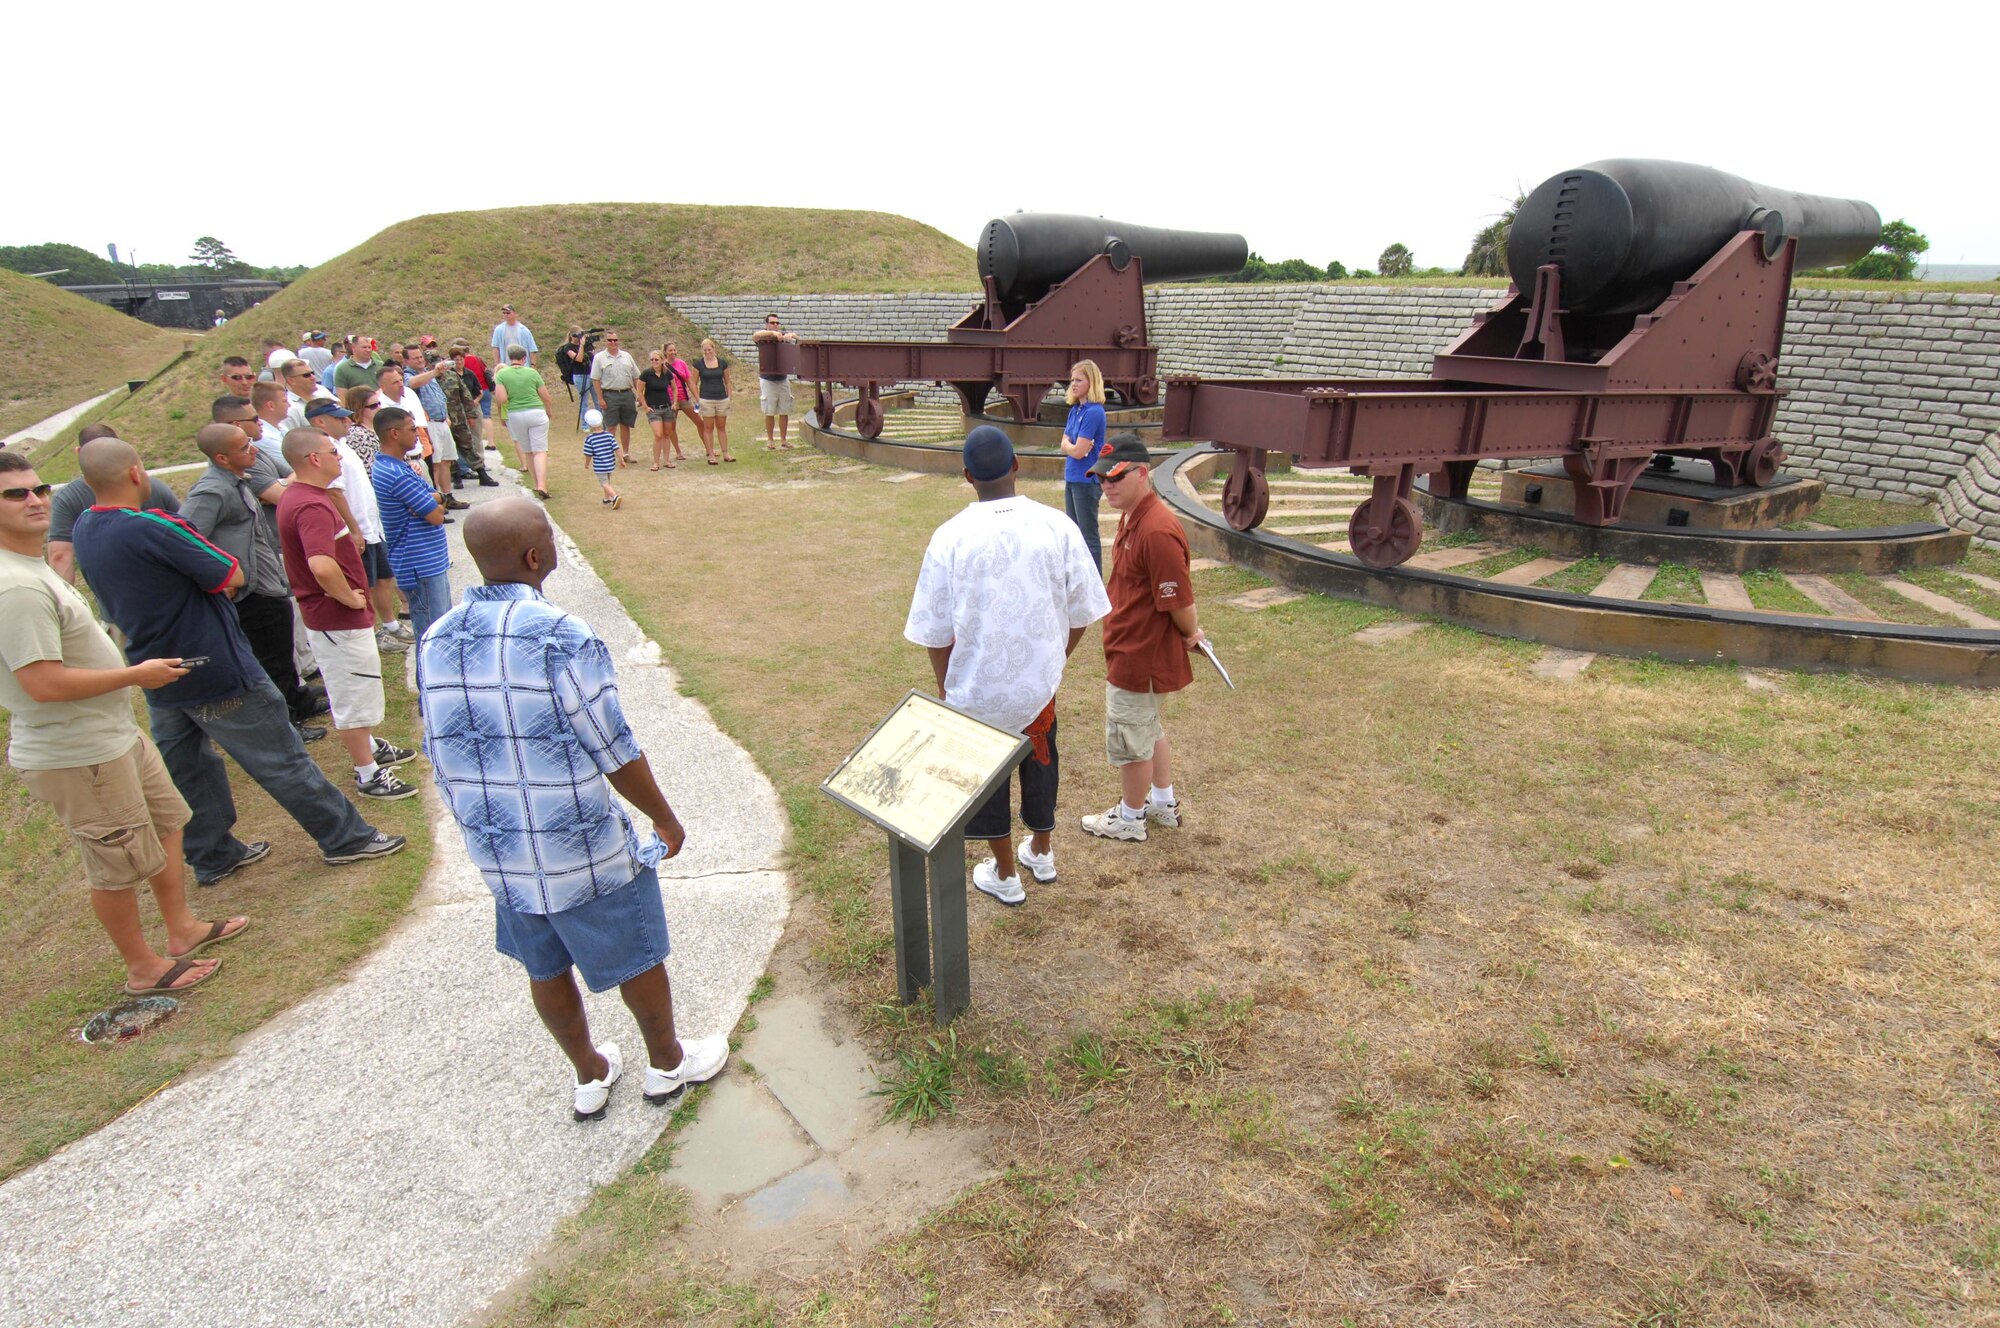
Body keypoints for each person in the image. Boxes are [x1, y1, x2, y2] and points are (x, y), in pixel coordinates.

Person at [418, 499, 727, 1119]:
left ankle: (590, 1072)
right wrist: (665, 818)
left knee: (544, 961)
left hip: (500, 847)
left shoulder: (435, 637)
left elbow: (439, 742)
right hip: (576, 843)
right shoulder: (561, 635)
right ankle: (667, 1064)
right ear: (537, 557)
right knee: (635, 950)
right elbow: (613, 746)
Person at [69, 437, 407, 885]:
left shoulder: (84, 528)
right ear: (135, 473)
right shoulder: (153, 526)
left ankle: (213, 854)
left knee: (189, 766)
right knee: (281, 756)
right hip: (214, 662)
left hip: (155, 667)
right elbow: (231, 572)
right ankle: (345, 837)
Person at [0, 450, 249, 995]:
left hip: (109, 733)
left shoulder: (32, 568)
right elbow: (41, 683)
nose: (35, 501)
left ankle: (181, 929)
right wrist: (135, 675)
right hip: (77, 749)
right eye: (15, 494)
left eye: (39, 489)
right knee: (115, 862)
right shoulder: (14, 586)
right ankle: (143, 968)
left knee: (167, 822)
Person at [904, 427, 1109, 904]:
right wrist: (1054, 659)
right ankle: (1042, 850)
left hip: (975, 690)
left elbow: (935, 633)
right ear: (1017, 465)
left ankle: (1005, 872)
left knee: (989, 778)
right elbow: (1083, 610)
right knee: (1042, 763)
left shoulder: (949, 537)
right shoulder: (1057, 526)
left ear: (967, 476)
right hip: (1038, 687)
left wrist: (946, 689)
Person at [276, 429, 418, 801]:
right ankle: (367, 772)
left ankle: (370, 746)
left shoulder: (304, 496)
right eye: (332, 452)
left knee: (358, 686)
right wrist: (350, 599)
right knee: (354, 694)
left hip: (332, 618)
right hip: (336, 619)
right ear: (313, 459)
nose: (339, 458)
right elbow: (321, 566)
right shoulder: (310, 505)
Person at [1079, 436, 1204, 844]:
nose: (1107, 486)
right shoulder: (1134, 516)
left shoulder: (1155, 530)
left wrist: (1192, 633)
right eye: (1101, 479)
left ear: (1142, 473)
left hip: (1140, 655)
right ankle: (1162, 803)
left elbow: (1179, 600)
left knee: (1131, 737)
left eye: (1115, 478)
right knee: (1148, 729)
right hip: (1130, 647)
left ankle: (1131, 818)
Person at [179, 422, 330, 736]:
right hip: (250, 592)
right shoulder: (213, 489)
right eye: (244, 447)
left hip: (266, 583)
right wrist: (222, 576)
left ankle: (297, 700)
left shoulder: (236, 481)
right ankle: (284, 722)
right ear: (221, 458)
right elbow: (186, 536)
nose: (254, 449)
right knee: (269, 658)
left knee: (280, 645)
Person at [45, 424, 181, 585]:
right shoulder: (154, 486)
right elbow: (192, 530)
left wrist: (65, 605)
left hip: (116, 599)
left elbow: (60, 556)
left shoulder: (67, 497)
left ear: (79, 452)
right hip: (171, 588)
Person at [369, 407, 456, 642]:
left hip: (430, 561)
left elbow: (437, 497)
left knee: (442, 628)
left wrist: (432, 499)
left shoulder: (401, 466)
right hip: (420, 566)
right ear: (394, 433)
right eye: (411, 428)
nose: (417, 432)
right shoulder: (394, 473)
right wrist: (432, 502)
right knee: (433, 635)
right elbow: (437, 516)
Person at [1060, 360, 1111, 572]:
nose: (1074, 384)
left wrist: (1071, 446)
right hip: (1072, 477)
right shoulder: (1075, 410)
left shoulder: (1094, 412)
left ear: (1092, 382)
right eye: (1072, 380)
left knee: (1088, 535)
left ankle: (1096, 582)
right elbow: (1064, 444)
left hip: (1086, 480)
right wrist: (1071, 446)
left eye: (1079, 380)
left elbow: (1079, 451)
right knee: (1073, 534)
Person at [494, 345, 555, 499]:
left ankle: (536, 483)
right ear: (524, 358)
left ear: (509, 358)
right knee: (540, 450)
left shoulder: (502, 374)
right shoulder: (532, 373)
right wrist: (548, 410)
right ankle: (542, 484)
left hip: (515, 413)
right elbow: (546, 396)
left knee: (527, 450)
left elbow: (501, 399)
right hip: (536, 411)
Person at [440, 343, 500, 488]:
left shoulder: (455, 376)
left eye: (461, 359)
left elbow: (468, 396)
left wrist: (471, 414)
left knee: (469, 444)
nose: (459, 362)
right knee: (450, 448)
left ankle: (482, 474)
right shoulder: (431, 379)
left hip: (460, 416)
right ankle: (457, 476)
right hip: (445, 418)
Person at [588, 330, 641, 465]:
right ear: (606, 342)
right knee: (610, 426)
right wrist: (600, 399)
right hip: (610, 394)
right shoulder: (600, 358)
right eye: (610, 340)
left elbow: (636, 377)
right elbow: (595, 379)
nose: (613, 343)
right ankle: (608, 455)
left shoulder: (626, 356)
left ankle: (626, 453)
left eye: (615, 340)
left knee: (626, 425)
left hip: (627, 393)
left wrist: (640, 395)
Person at [750, 313, 799, 449]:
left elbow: (796, 337)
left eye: (777, 323)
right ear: (767, 324)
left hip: (782, 378)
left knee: (785, 410)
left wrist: (790, 336)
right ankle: (770, 440)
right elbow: (755, 335)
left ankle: (783, 440)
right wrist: (772, 333)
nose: (775, 325)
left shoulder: (782, 336)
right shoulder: (762, 338)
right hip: (768, 379)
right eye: (772, 323)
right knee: (769, 411)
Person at [638, 350, 685, 470]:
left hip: (667, 408)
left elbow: (674, 388)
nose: (654, 362)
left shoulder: (667, 373)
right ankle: (656, 462)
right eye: (652, 360)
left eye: (656, 359)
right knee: (658, 434)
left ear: (662, 360)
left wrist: (674, 403)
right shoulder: (646, 374)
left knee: (667, 434)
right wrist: (645, 406)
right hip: (653, 409)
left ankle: (667, 460)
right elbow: (639, 390)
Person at [694, 339, 735, 464]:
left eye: (709, 349)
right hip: (706, 398)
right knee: (708, 427)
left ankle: (725, 453)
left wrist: (729, 396)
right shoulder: (698, 364)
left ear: (714, 349)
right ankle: (711, 454)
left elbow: (727, 381)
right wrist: (697, 398)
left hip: (721, 398)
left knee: (721, 426)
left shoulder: (722, 363)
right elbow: (693, 383)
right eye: (705, 350)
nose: (707, 352)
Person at [663, 340, 703, 447]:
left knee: (700, 422)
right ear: (665, 352)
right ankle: (678, 451)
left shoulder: (681, 363)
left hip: (684, 398)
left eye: (674, 350)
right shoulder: (663, 366)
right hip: (670, 400)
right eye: (670, 350)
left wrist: (697, 398)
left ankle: (709, 449)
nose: (673, 352)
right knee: (671, 427)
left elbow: (690, 381)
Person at [581, 409, 624, 509]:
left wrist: (587, 463)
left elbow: (588, 454)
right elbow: (616, 448)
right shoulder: (609, 435)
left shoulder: (590, 439)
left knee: (604, 483)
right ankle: (607, 498)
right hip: (610, 463)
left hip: (600, 466)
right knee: (607, 481)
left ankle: (614, 497)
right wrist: (621, 459)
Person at [555, 328, 593, 431]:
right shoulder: (568, 348)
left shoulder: (586, 345)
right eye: (578, 336)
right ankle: (585, 425)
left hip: (591, 374)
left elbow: (591, 356)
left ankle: (599, 422)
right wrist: (581, 345)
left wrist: (587, 345)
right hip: (580, 376)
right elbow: (579, 359)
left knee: (598, 399)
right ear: (572, 336)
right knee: (584, 401)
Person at [490, 303, 538, 368]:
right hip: (505, 367)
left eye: (508, 313)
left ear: (515, 314)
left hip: (522, 367)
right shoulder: (499, 330)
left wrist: (533, 366)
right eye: (504, 313)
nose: (506, 315)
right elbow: (495, 347)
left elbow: (532, 349)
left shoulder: (524, 330)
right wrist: (497, 364)